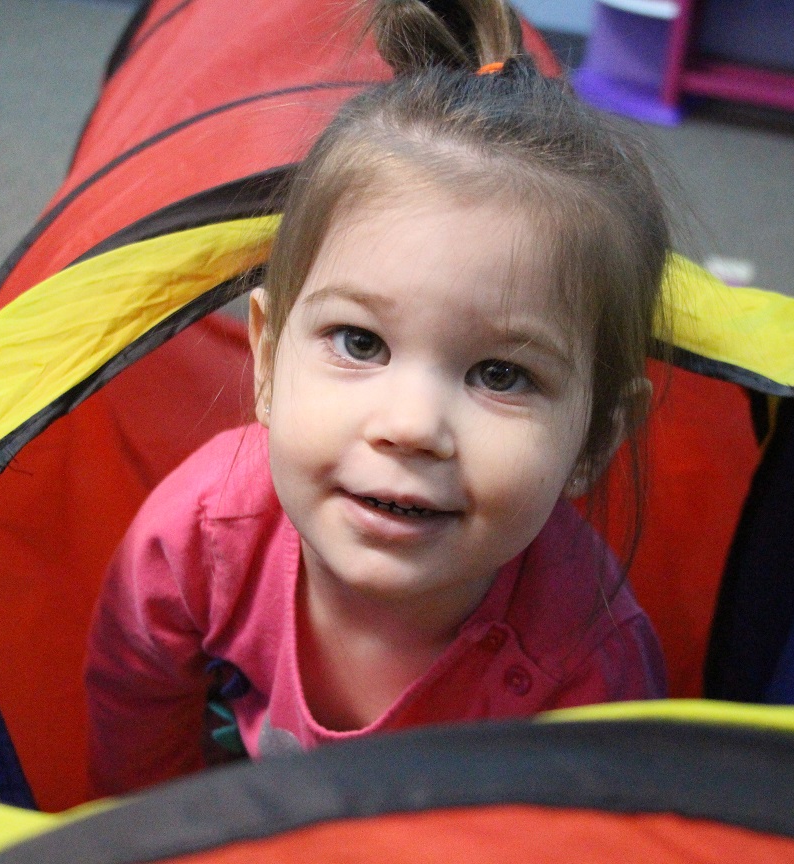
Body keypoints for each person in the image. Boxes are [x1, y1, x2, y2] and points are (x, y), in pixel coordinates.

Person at [85, 0, 670, 797]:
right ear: (266, 358)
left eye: (500, 374)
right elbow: (135, 708)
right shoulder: (201, 532)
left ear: (596, 439)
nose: (411, 427)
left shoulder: (589, 663)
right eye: (361, 343)